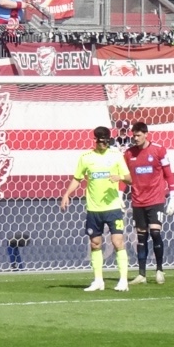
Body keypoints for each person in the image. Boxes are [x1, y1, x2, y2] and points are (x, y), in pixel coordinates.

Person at [59, 125, 132, 292]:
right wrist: (66, 194)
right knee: (95, 243)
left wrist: (119, 177)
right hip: (93, 208)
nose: (103, 145)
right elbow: (77, 178)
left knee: (117, 241)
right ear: (95, 141)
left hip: (113, 207)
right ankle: (98, 280)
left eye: (106, 142)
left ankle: (123, 281)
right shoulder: (86, 157)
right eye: (100, 142)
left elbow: (129, 179)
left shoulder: (116, 156)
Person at [123, 122, 174, 285]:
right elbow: (125, 177)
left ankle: (160, 270)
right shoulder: (128, 153)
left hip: (155, 200)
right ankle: (141, 274)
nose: (136, 138)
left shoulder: (159, 150)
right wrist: (120, 195)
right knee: (141, 237)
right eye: (134, 135)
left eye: (139, 135)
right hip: (138, 200)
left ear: (146, 134)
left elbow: (168, 174)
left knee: (155, 233)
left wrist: (173, 196)